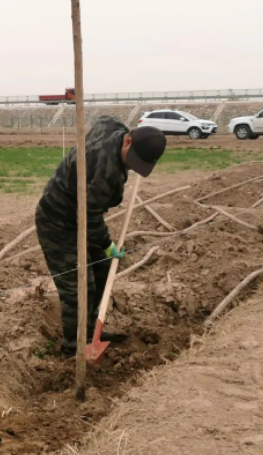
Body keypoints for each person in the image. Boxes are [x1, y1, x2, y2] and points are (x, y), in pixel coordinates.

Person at [35, 116, 166, 358]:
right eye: (133, 161)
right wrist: (107, 244)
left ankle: (89, 331)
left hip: (80, 216)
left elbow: (103, 120)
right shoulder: (104, 172)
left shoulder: (114, 129)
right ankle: (73, 348)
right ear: (127, 141)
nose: (131, 168)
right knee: (79, 286)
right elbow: (88, 216)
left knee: (103, 269)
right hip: (58, 221)